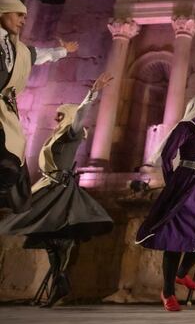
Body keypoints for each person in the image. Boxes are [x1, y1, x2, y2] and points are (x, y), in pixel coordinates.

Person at [0, 73, 113, 307]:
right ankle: (59, 279)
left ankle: (59, 279)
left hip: (60, 189)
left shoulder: (71, 134)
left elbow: (81, 116)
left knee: (55, 233)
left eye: (61, 114)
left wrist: (91, 95)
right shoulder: (55, 136)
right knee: (47, 233)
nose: (57, 117)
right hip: (47, 185)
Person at [134, 94, 195, 311]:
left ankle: (181, 273)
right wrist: (173, 183)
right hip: (185, 186)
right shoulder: (186, 128)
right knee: (175, 237)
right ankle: (168, 292)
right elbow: (168, 155)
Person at [0, 0, 78, 213]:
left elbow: (36, 55)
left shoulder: (17, 49)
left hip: (4, 113)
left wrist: (63, 51)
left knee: (12, 163)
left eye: (25, 16)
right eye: (18, 15)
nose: (23, 21)